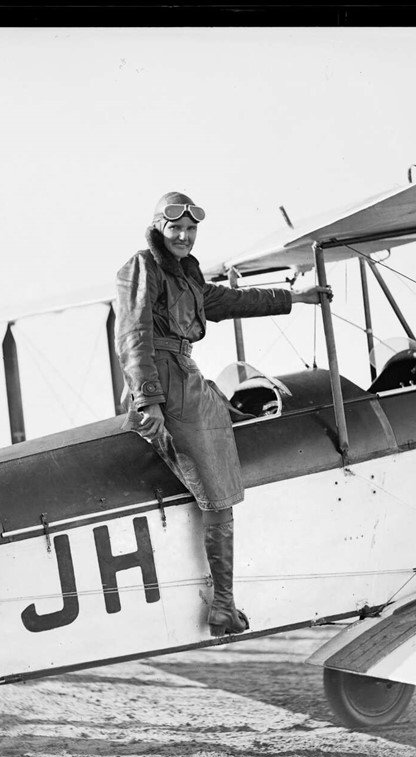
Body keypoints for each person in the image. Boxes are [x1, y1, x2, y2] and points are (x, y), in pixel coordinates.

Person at [115, 192, 332, 637]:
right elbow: (132, 333)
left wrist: (297, 297)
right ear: (159, 226)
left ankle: (224, 603)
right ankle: (223, 608)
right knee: (219, 501)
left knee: (222, 488)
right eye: (175, 228)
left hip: (185, 378)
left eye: (191, 230)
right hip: (168, 381)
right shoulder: (144, 265)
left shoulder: (186, 275)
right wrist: (148, 399)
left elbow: (229, 301)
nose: (183, 235)